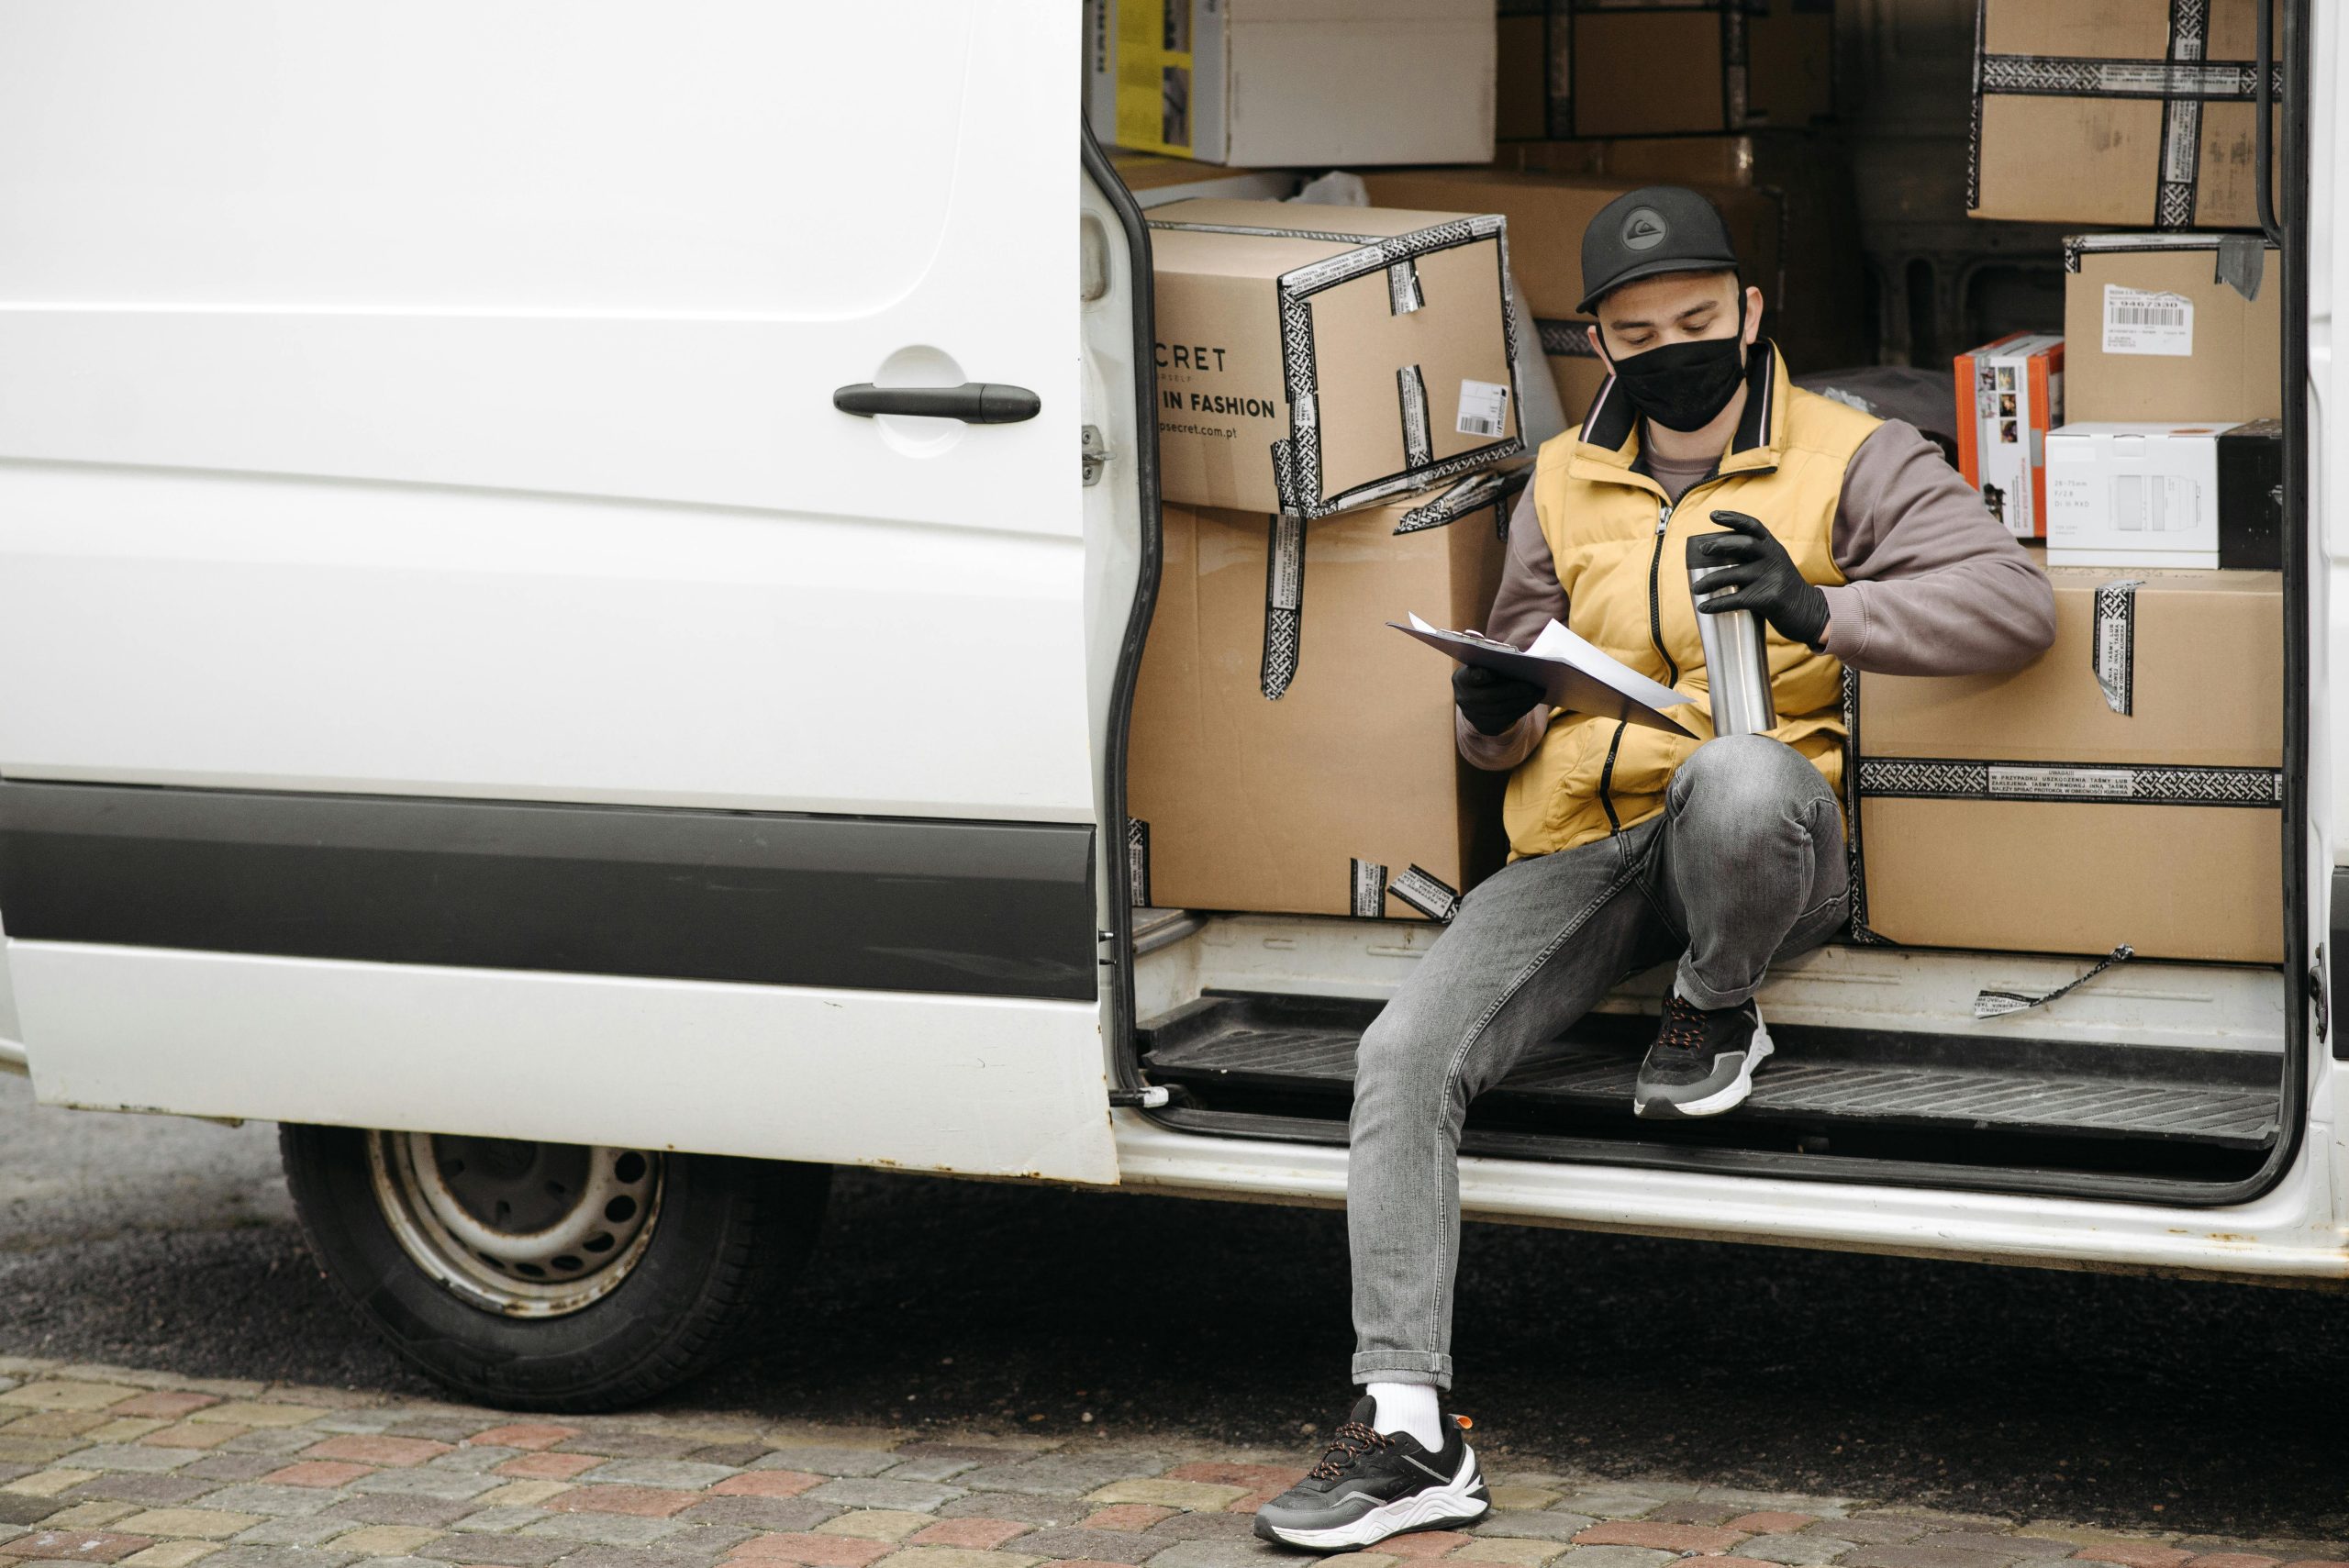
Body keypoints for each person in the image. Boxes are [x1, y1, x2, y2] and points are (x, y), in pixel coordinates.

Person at [1252, 186, 2058, 1551]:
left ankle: (1718, 1000)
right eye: (1640, 329)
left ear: (1751, 313)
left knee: (1735, 775)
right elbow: (1504, 696)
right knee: (1399, 1053)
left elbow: (2016, 606)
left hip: (1761, 841)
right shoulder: (1563, 473)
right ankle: (1405, 1426)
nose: (1675, 343)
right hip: (1583, 842)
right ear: (1602, 341)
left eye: (1700, 317)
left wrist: (1823, 608)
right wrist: (1495, 701)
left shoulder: (1857, 454)